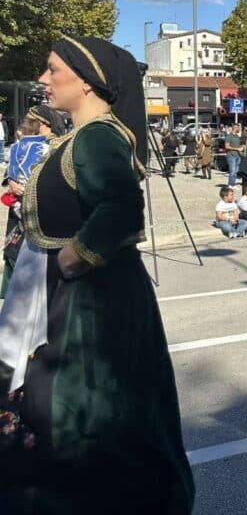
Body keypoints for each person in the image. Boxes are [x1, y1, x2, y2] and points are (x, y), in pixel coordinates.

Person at [0, 36, 194, 513]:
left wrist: (72, 258)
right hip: (64, 294)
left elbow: (122, 209)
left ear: (85, 82)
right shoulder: (76, 138)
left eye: (51, 70)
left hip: (89, 301)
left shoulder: (98, 137)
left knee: (78, 412)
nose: (43, 79)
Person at [2, 105, 68, 298]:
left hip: (47, 213)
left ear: (46, 124)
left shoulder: (58, 146)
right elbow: (11, 173)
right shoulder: (23, 145)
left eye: (34, 120)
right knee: (16, 255)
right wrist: (13, 183)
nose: (29, 123)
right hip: (20, 212)